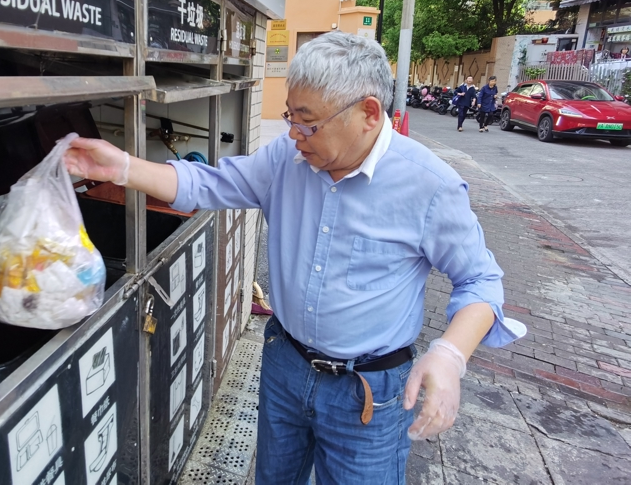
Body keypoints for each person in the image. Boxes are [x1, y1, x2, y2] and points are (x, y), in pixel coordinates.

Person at [64, 32, 521, 484]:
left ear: (368, 113)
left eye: (308, 122)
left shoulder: (429, 186)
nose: (294, 135)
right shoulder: (286, 159)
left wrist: (449, 356)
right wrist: (121, 168)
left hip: (368, 391)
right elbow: (206, 184)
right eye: (290, 117)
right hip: (286, 363)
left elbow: (480, 280)